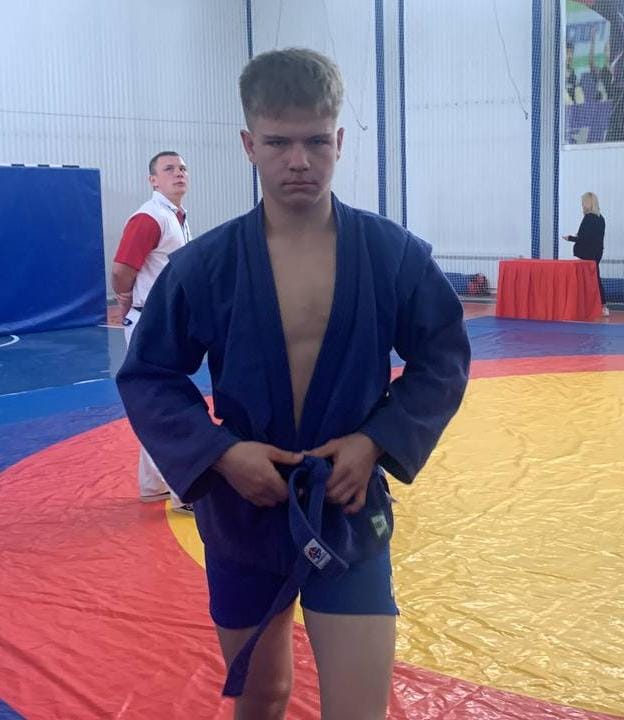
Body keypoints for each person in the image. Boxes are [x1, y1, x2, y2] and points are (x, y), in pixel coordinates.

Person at [116, 49, 470, 719]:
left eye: (315, 141)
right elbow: (150, 373)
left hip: (344, 505)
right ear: (249, 144)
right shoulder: (207, 266)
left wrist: (376, 440)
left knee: (358, 710)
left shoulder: (391, 254)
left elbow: (443, 356)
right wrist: (222, 453)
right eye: (278, 142)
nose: (299, 160)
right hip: (244, 512)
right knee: (262, 696)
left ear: (339, 141)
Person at [112, 151, 194, 513]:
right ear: (153, 180)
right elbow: (121, 269)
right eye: (169, 169)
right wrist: (125, 299)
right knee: (167, 404)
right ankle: (183, 491)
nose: (178, 173)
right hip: (150, 322)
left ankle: (153, 484)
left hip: (163, 320)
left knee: (157, 402)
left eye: (182, 168)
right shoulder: (150, 217)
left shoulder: (176, 217)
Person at [563, 191, 608, 316]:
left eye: (583, 202)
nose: (582, 205)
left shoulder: (588, 218)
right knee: (596, 277)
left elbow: (584, 238)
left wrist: (570, 238)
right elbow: (595, 237)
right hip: (597, 253)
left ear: (587, 203)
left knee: (588, 279)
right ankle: (602, 305)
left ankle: (589, 305)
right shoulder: (601, 218)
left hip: (588, 253)